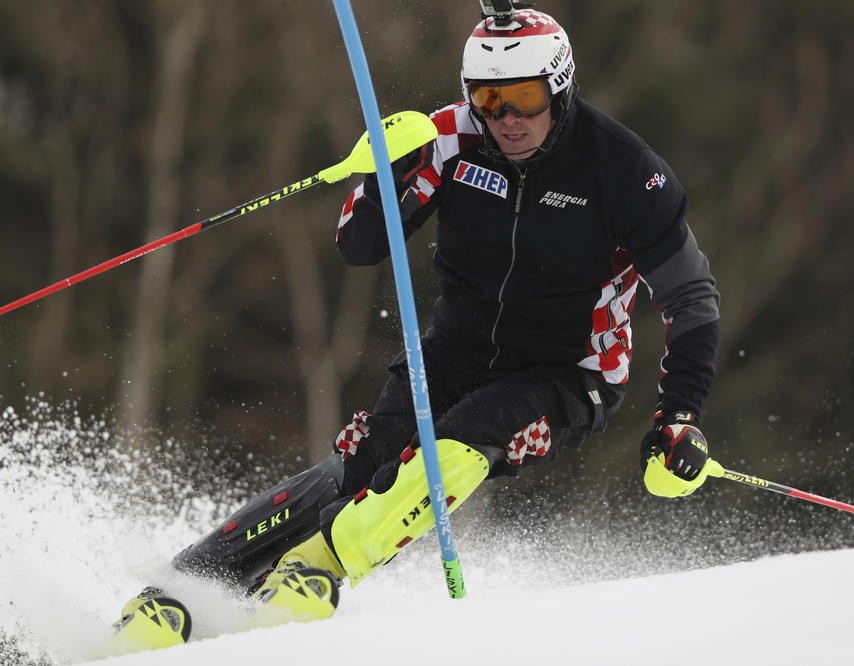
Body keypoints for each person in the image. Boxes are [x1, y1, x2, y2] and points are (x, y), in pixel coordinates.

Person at [114, 4, 720, 645]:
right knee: (365, 462)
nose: (507, 118)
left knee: (464, 438)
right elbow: (360, 246)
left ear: (561, 88)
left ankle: (315, 570)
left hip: (569, 372)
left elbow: (691, 298)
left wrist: (678, 416)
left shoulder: (625, 172)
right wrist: (382, 174)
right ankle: (187, 588)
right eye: (489, 98)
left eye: (525, 97)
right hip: (457, 348)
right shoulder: (451, 139)